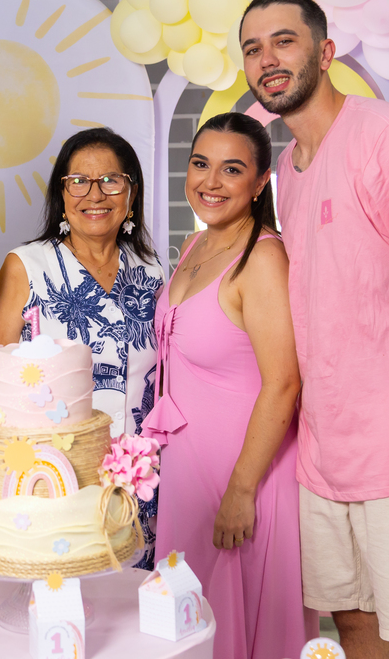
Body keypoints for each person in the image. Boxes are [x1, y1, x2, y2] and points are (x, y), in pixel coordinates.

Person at [239, 0, 389, 659]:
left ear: (325, 52)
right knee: (350, 625)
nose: (268, 59)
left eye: (284, 41)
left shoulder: (387, 137)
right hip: (325, 451)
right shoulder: (287, 170)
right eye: (254, 49)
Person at [142, 112, 316, 659]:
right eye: (200, 164)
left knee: (242, 626)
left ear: (261, 182)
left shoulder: (262, 257)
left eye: (232, 169)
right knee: (190, 626)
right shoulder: (197, 244)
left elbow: (284, 383)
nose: (210, 181)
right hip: (189, 473)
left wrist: (241, 491)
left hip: (245, 476)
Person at [0, 127, 163, 566]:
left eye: (111, 180)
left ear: (131, 193)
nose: (95, 194)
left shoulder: (152, 270)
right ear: (62, 194)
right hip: (55, 480)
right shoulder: (27, 266)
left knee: (134, 598)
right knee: (65, 593)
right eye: (78, 181)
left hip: (140, 481)